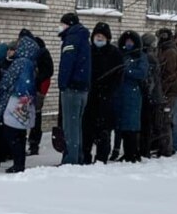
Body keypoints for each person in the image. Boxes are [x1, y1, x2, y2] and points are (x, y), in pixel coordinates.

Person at [0, 35, 39, 173]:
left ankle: (17, 163)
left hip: (15, 99)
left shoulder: (19, 62)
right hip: (27, 100)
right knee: (20, 133)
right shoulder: (32, 64)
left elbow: (8, 80)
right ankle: (20, 162)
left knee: (11, 132)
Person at [82, 22, 123, 164]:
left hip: (106, 99)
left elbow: (118, 76)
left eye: (102, 36)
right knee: (87, 131)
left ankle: (101, 158)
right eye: (97, 35)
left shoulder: (114, 53)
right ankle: (85, 157)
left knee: (103, 132)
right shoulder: (88, 50)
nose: (99, 38)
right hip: (89, 97)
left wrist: (108, 89)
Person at [57, 13, 91, 165]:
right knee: (77, 126)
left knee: (70, 127)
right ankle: (78, 155)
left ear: (68, 24)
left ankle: (70, 160)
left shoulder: (71, 39)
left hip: (72, 88)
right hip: (83, 88)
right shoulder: (84, 38)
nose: (60, 27)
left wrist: (62, 84)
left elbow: (67, 64)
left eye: (62, 24)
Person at [116, 31, 148, 162]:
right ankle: (128, 152)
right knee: (123, 126)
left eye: (131, 42)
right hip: (121, 94)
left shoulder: (140, 56)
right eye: (126, 42)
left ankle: (132, 152)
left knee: (132, 126)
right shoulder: (122, 55)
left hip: (133, 94)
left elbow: (141, 73)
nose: (128, 44)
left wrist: (127, 71)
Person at [27, 36, 54, 156]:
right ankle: (33, 143)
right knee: (35, 116)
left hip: (37, 89)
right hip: (38, 88)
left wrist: (37, 80)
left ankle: (33, 143)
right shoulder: (43, 54)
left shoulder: (41, 55)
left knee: (35, 116)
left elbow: (48, 72)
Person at [154, 28, 177, 157]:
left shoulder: (170, 52)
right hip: (163, 90)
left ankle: (166, 149)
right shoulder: (162, 49)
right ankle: (162, 147)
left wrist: (164, 89)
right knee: (162, 120)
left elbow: (170, 74)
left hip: (168, 91)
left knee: (165, 120)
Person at [139, 33, 164, 158]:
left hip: (151, 97)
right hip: (155, 96)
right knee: (152, 124)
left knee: (148, 124)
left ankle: (147, 149)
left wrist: (146, 93)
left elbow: (150, 80)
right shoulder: (152, 56)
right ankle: (151, 147)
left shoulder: (148, 57)